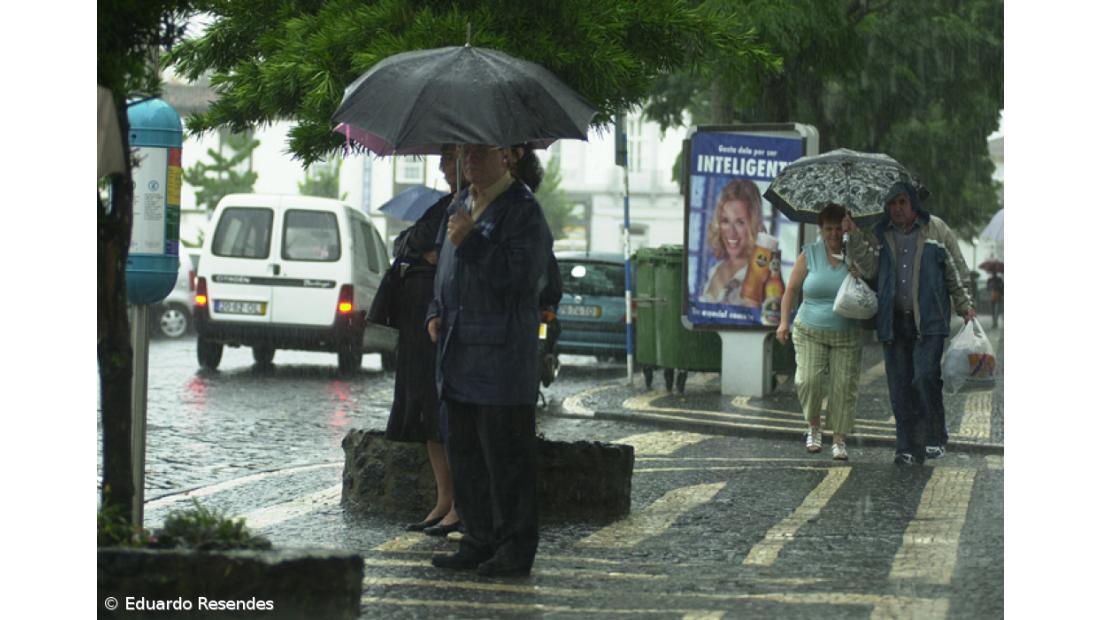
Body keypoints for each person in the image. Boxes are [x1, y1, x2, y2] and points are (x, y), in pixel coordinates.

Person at [426, 143, 552, 577]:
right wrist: (434, 312)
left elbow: (521, 280)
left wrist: (473, 241)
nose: (469, 161)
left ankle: (514, 549)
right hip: (458, 356)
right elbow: (444, 272)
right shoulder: (460, 203)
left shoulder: (523, 210)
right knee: (467, 458)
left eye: (479, 153)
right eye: (464, 154)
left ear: (507, 156)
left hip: (501, 360)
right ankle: (477, 539)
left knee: (506, 461)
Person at [845, 181, 976, 465]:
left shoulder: (936, 230)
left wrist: (965, 305)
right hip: (893, 322)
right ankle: (906, 446)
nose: (897, 209)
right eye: (892, 204)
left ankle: (934, 437)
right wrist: (854, 235)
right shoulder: (881, 233)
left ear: (914, 203)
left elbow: (955, 269)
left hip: (929, 321)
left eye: (902, 202)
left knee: (925, 377)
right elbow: (870, 268)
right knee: (899, 386)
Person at [384, 145, 463, 536]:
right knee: (426, 414)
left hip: (442, 321)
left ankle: (458, 504)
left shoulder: (469, 206)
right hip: (422, 319)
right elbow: (410, 246)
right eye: (443, 160)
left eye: (450, 159)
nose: (443, 166)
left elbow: (435, 252)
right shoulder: (443, 205)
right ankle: (443, 499)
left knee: (443, 412)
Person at [776, 204, 864, 461]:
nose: (834, 234)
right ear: (821, 229)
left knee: (843, 387)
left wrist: (859, 275)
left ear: (845, 228)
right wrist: (783, 322)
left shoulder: (853, 254)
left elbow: (868, 286)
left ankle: (839, 439)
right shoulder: (810, 254)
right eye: (829, 228)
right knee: (808, 381)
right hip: (809, 330)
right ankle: (814, 427)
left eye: (838, 228)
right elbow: (791, 290)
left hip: (846, 333)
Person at [701, 179, 765, 305]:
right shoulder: (715, 269)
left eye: (740, 222)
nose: (731, 232)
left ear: (754, 225)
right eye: (725, 220)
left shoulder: (761, 275)